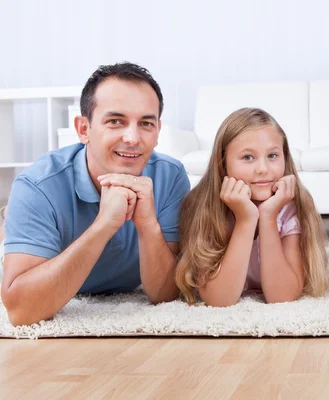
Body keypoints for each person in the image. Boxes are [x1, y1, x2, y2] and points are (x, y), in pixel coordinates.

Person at [1, 62, 190, 326]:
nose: (133, 138)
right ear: (83, 129)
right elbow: (22, 312)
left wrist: (148, 225)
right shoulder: (36, 185)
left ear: (158, 131)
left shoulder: (170, 176)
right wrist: (103, 225)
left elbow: (165, 295)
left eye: (146, 123)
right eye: (115, 121)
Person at [175, 107, 328, 307]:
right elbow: (219, 300)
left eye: (272, 156)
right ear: (223, 163)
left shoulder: (290, 206)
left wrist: (268, 217)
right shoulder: (204, 206)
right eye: (248, 157)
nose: (263, 169)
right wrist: (246, 220)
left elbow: (282, 297)